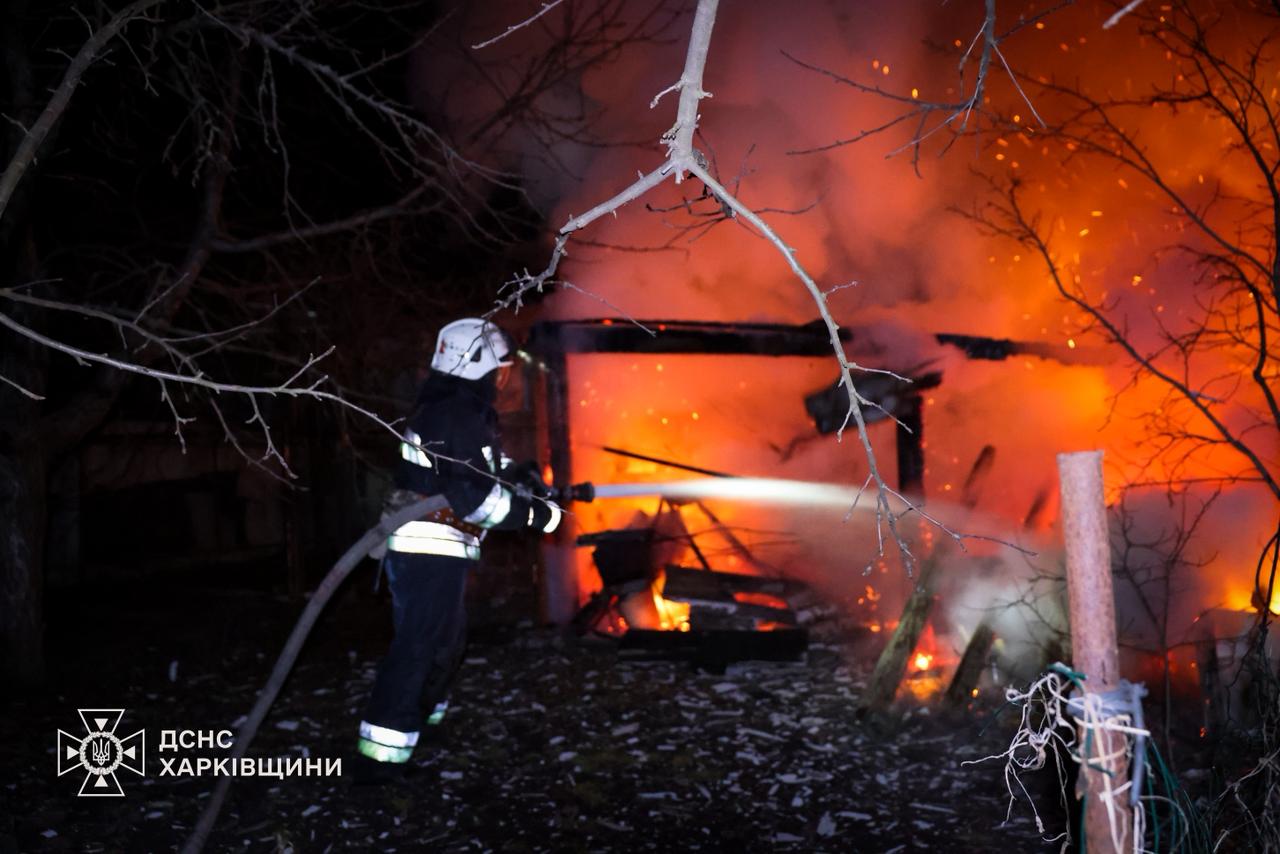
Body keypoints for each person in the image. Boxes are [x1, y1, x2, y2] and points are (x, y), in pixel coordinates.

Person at [354, 317, 560, 779]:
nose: (503, 376)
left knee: (445, 644)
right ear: (479, 365)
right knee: (419, 645)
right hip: (427, 546)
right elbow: (476, 499)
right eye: (500, 367)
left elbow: (480, 468)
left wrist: (519, 473)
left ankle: (418, 725)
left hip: (443, 546)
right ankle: (380, 757)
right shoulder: (453, 414)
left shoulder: (461, 411)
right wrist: (536, 515)